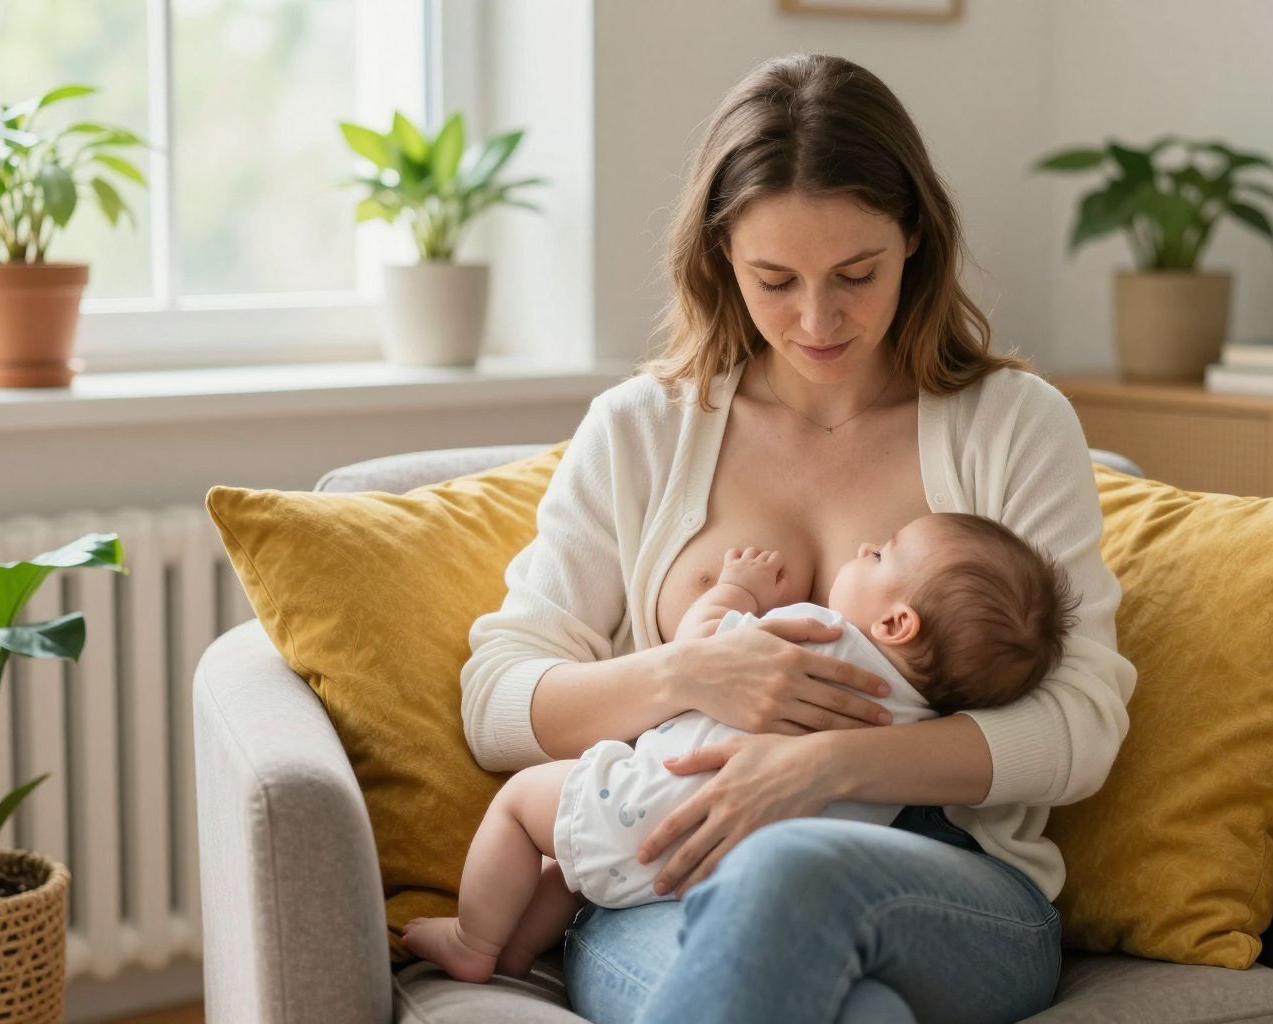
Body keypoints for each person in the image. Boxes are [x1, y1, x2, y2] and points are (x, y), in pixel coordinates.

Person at [459, 51, 1137, 1024]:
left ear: (913, 239)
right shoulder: (640, 431)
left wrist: (828, 768)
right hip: (669, 875)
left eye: (856, 274)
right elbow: (497, 699)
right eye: (775, 279)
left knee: (791, 863)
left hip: (946, 882)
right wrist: (682, 678)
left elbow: (1081, 727)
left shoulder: (1012, 424)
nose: (818, 319)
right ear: (720, 258)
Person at [409, 512, 1079, 983]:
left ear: (896, 622)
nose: (866, 546)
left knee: (525, 809)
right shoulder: (915, 727)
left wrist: (735, 590)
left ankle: (478, 940)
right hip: (722, 876)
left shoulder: (819, 631)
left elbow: (705, 646)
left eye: (880, 555)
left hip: (646, 803)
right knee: (579, 868)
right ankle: (519, 949)